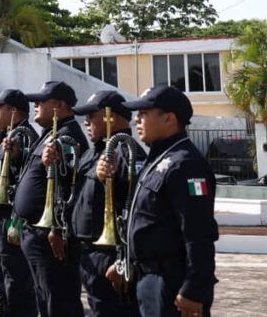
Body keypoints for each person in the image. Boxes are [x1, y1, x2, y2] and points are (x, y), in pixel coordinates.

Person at [110, 85, 217, 317]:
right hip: (149, 278)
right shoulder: (159, 159)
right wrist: (125, 261)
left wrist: (194, 289)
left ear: (169, 119)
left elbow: (198, 232)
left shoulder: (185, 164)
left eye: (144, 114)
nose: (136, 120)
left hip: (171, 283)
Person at [68, 90, 144, 317]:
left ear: (110, 117)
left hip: (109, 255)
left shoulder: (127, 152)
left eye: (91, 116)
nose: (86, 122)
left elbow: (134, 211)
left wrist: (123, 260)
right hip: (90, 252)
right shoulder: (95, 153)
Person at [17, 81, 88, 317]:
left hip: (51, 236)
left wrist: (58, 228)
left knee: (58, 301)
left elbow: (71, 186)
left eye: (41, 101)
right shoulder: (50, 134)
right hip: (37, 232)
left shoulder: (69, 137)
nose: (35, 105)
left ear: (59, 106)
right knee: (45, 297)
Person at [0, 88, 37, 317]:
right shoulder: (8, 135)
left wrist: (17, 156)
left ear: (13, 111)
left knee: (17, 279)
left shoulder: (23, 136)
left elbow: (28, 177)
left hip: (10, 218)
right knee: (3, 272)